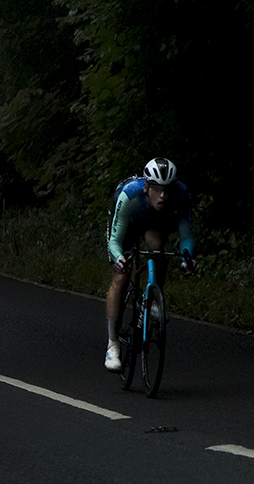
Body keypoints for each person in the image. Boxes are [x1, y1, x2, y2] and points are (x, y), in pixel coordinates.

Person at [104, 157, 198, 372]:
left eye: (167, 189)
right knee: (121, 277)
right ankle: (112, 343)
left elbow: (187, 236)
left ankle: (154, 300)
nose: (163, 196)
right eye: (156, 189)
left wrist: (187, 259)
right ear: (146, 187)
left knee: (157, 247)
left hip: (152, 222)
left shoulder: (182, 194)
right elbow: (115, 241)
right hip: (126, 223)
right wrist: (119, 258)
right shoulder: (129, 194)